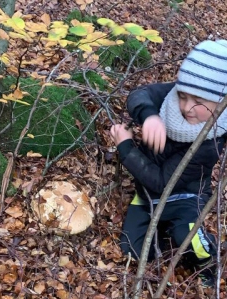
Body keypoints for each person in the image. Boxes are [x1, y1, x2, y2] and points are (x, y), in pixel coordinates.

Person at [110, 39, 227, 287]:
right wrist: (150, 116)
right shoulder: (173, 97)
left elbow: (164, 181)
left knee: (188, 238)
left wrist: (126, 147)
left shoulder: (209, 143)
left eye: (199, 101)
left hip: (185, 197)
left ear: (221, 102)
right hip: (146, 195)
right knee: (132, 250)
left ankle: (209, 264)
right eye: (183, 96)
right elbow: (139, 95)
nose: (186, 107)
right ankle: (163, 234)